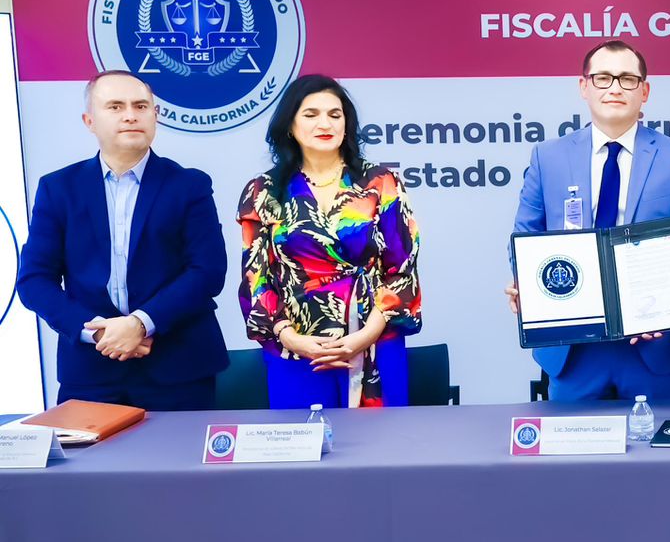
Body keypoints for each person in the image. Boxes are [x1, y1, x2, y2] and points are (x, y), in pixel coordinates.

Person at [507, 40, 670, 401]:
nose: (615, 88)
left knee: (655, 438)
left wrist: (666, 307)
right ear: (583, 86)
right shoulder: (548, 157)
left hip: (652, 343)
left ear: (644, 91)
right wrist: (528, 283)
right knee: (573, 439)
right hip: (574, 343)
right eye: (602, 78)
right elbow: (525, 237)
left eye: (627, 79)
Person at [17, 70, 228, 411]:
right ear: (89, 121)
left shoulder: (189, 185)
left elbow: (208, 271)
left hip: (178, 369)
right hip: (90, 370)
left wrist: (141, 324)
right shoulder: (58, 188)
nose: (130, 115)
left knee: (180, 450)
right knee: (84, 450)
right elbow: (34, 280)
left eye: (140, 106)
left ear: (155, 115)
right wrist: (99, 333)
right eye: (115, 106)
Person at [238, 74, 422, 409]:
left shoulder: (381, 182)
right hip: (297, 351)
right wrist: (292, 338)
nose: (325, 123)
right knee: (301, 442)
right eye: (311, 114)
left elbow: (402, 270)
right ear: (289, 125)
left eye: (335, 115)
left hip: (374, 343)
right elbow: (256, 278)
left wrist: (364, 337)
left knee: (383, 440)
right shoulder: (263, 191)